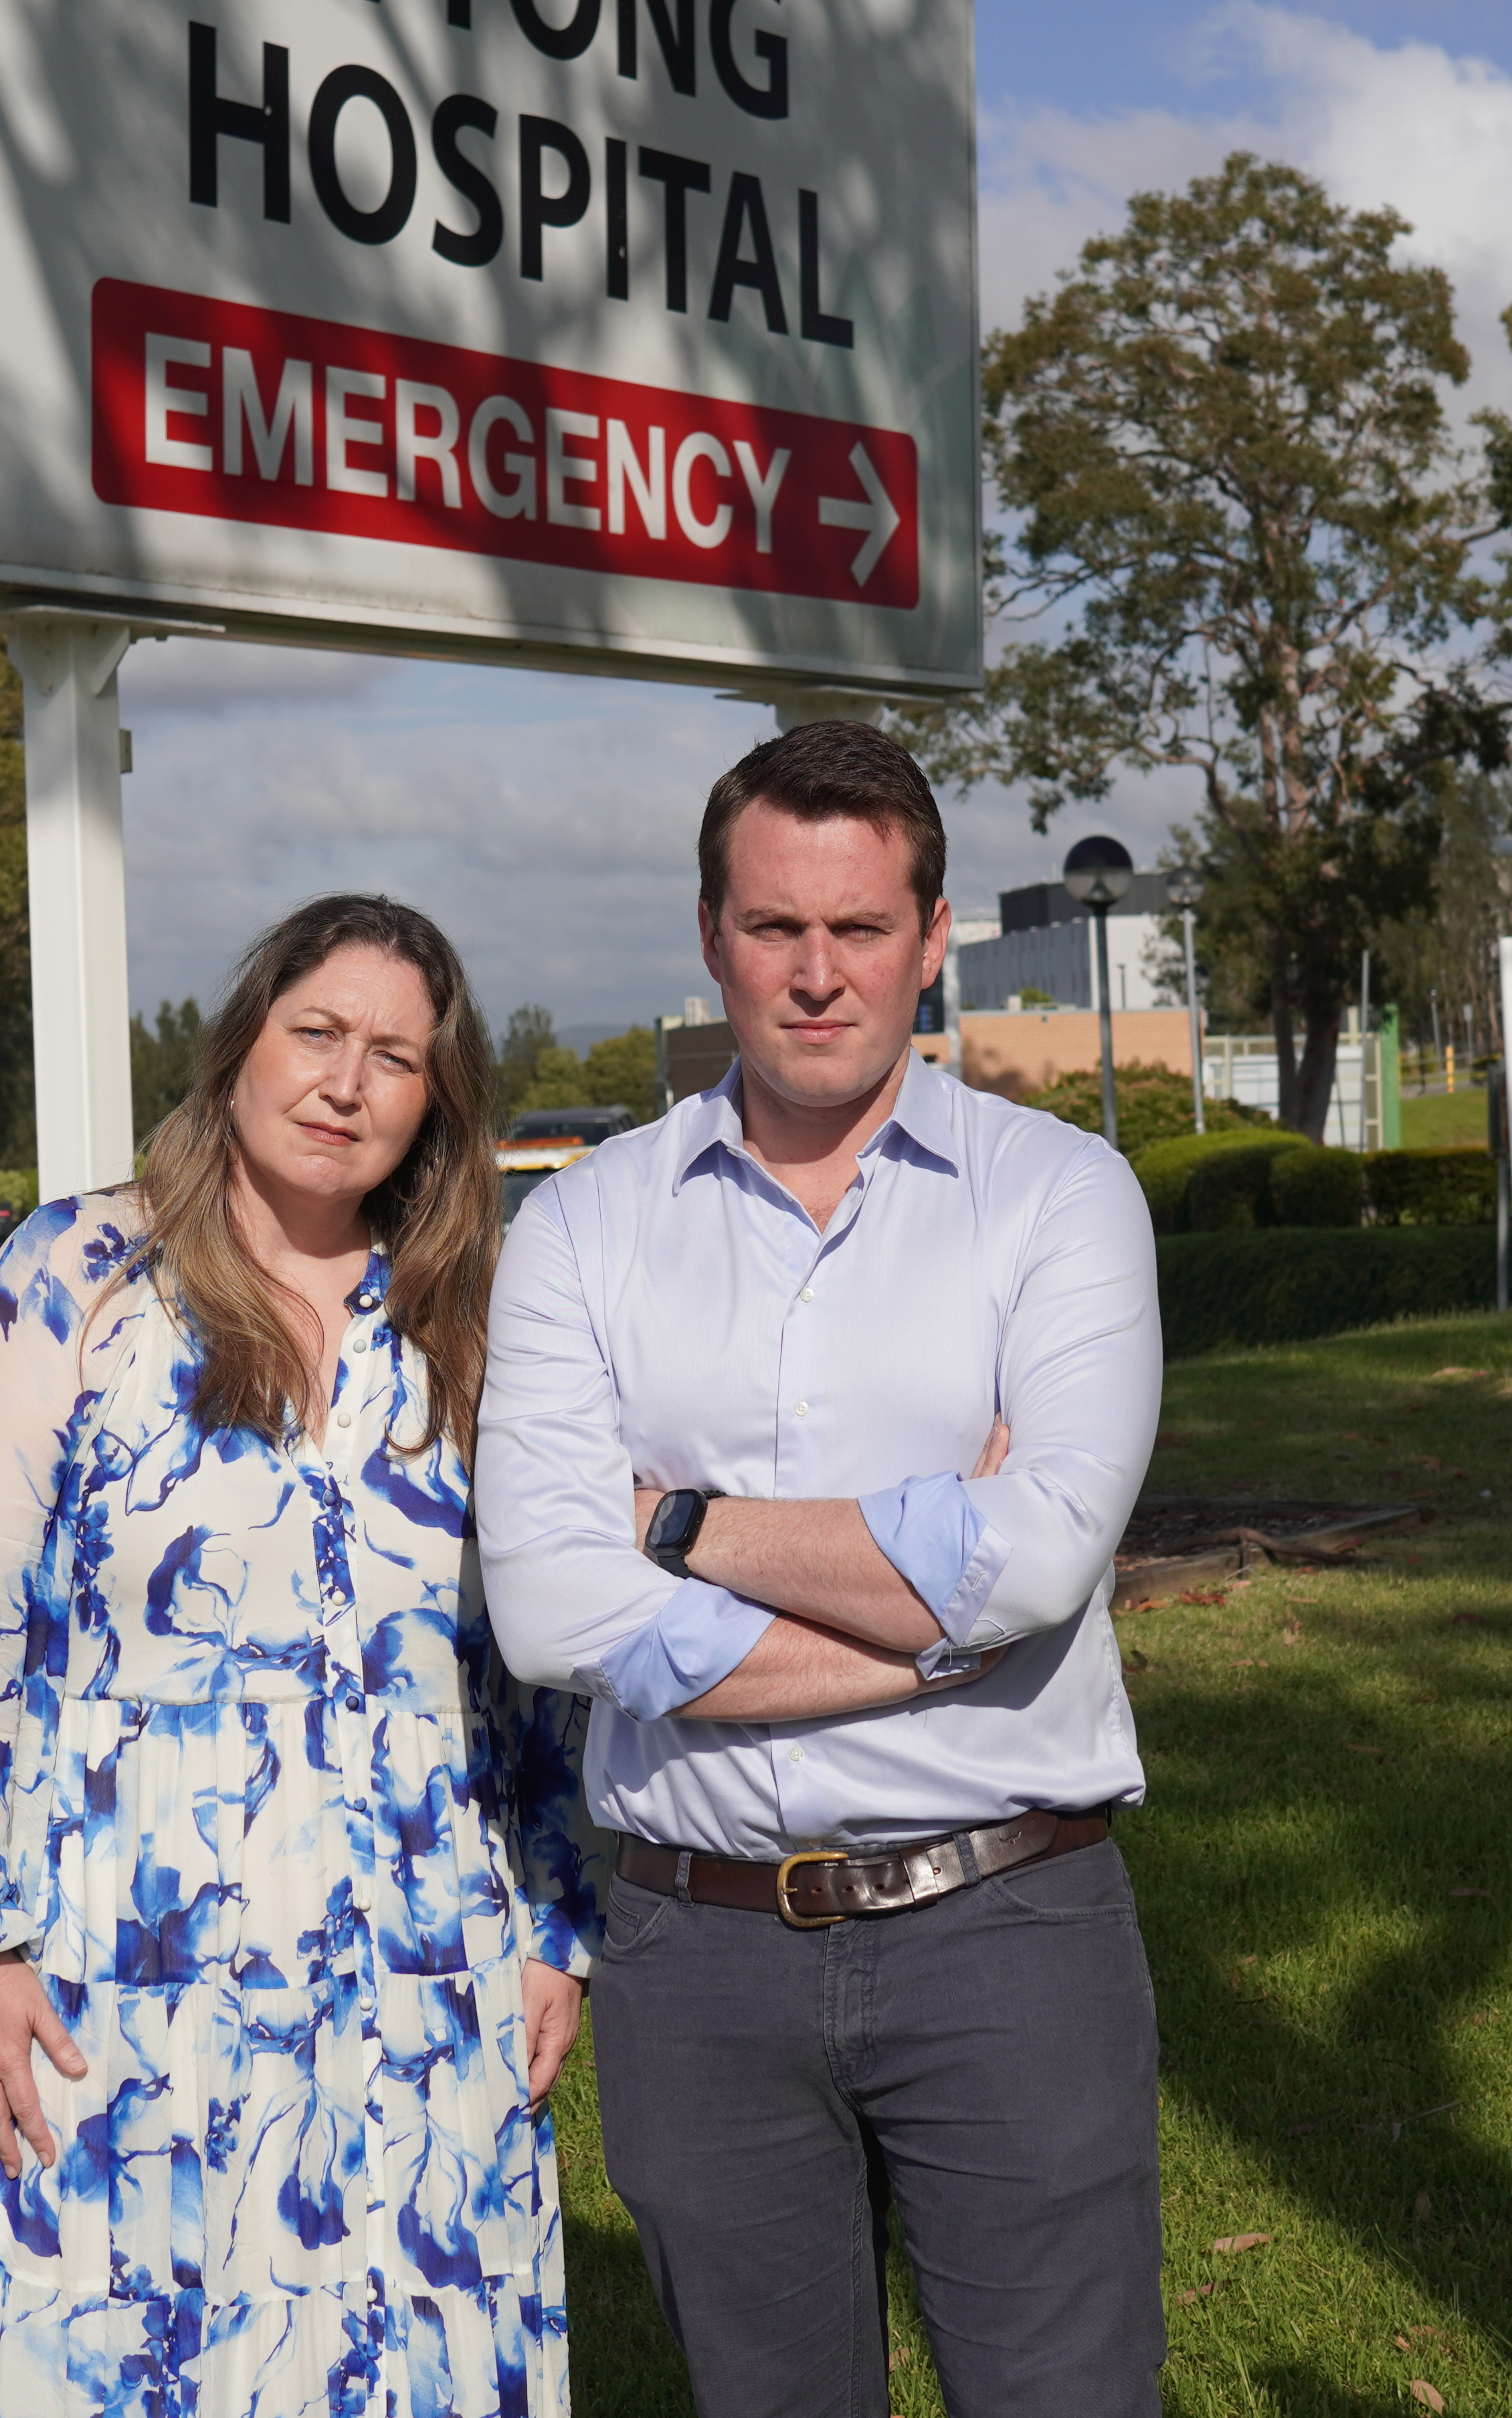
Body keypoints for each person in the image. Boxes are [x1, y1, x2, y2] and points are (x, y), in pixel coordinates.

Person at [476, 721, 1167, 2417]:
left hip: (1005, 1920)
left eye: (860, 930)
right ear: (712, 933)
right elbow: (552, 1604)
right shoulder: (581, 1224)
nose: (815, 973)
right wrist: (936, 1618)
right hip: (696, 1951)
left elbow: (1048, 1544)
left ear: (933, 940)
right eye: (775, 927)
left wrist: (680, 1521)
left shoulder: (1061, 1197)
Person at [0, 893, 602, 2418]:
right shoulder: (75, 1277)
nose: (346, 1081)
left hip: (419, 1952)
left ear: (437, 1100)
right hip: (115, 1955)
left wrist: (553, 1921)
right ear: (242, 1042)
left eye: (396, 1056)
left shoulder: (472, 1315)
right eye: (318, 1032)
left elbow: (531, 1658)